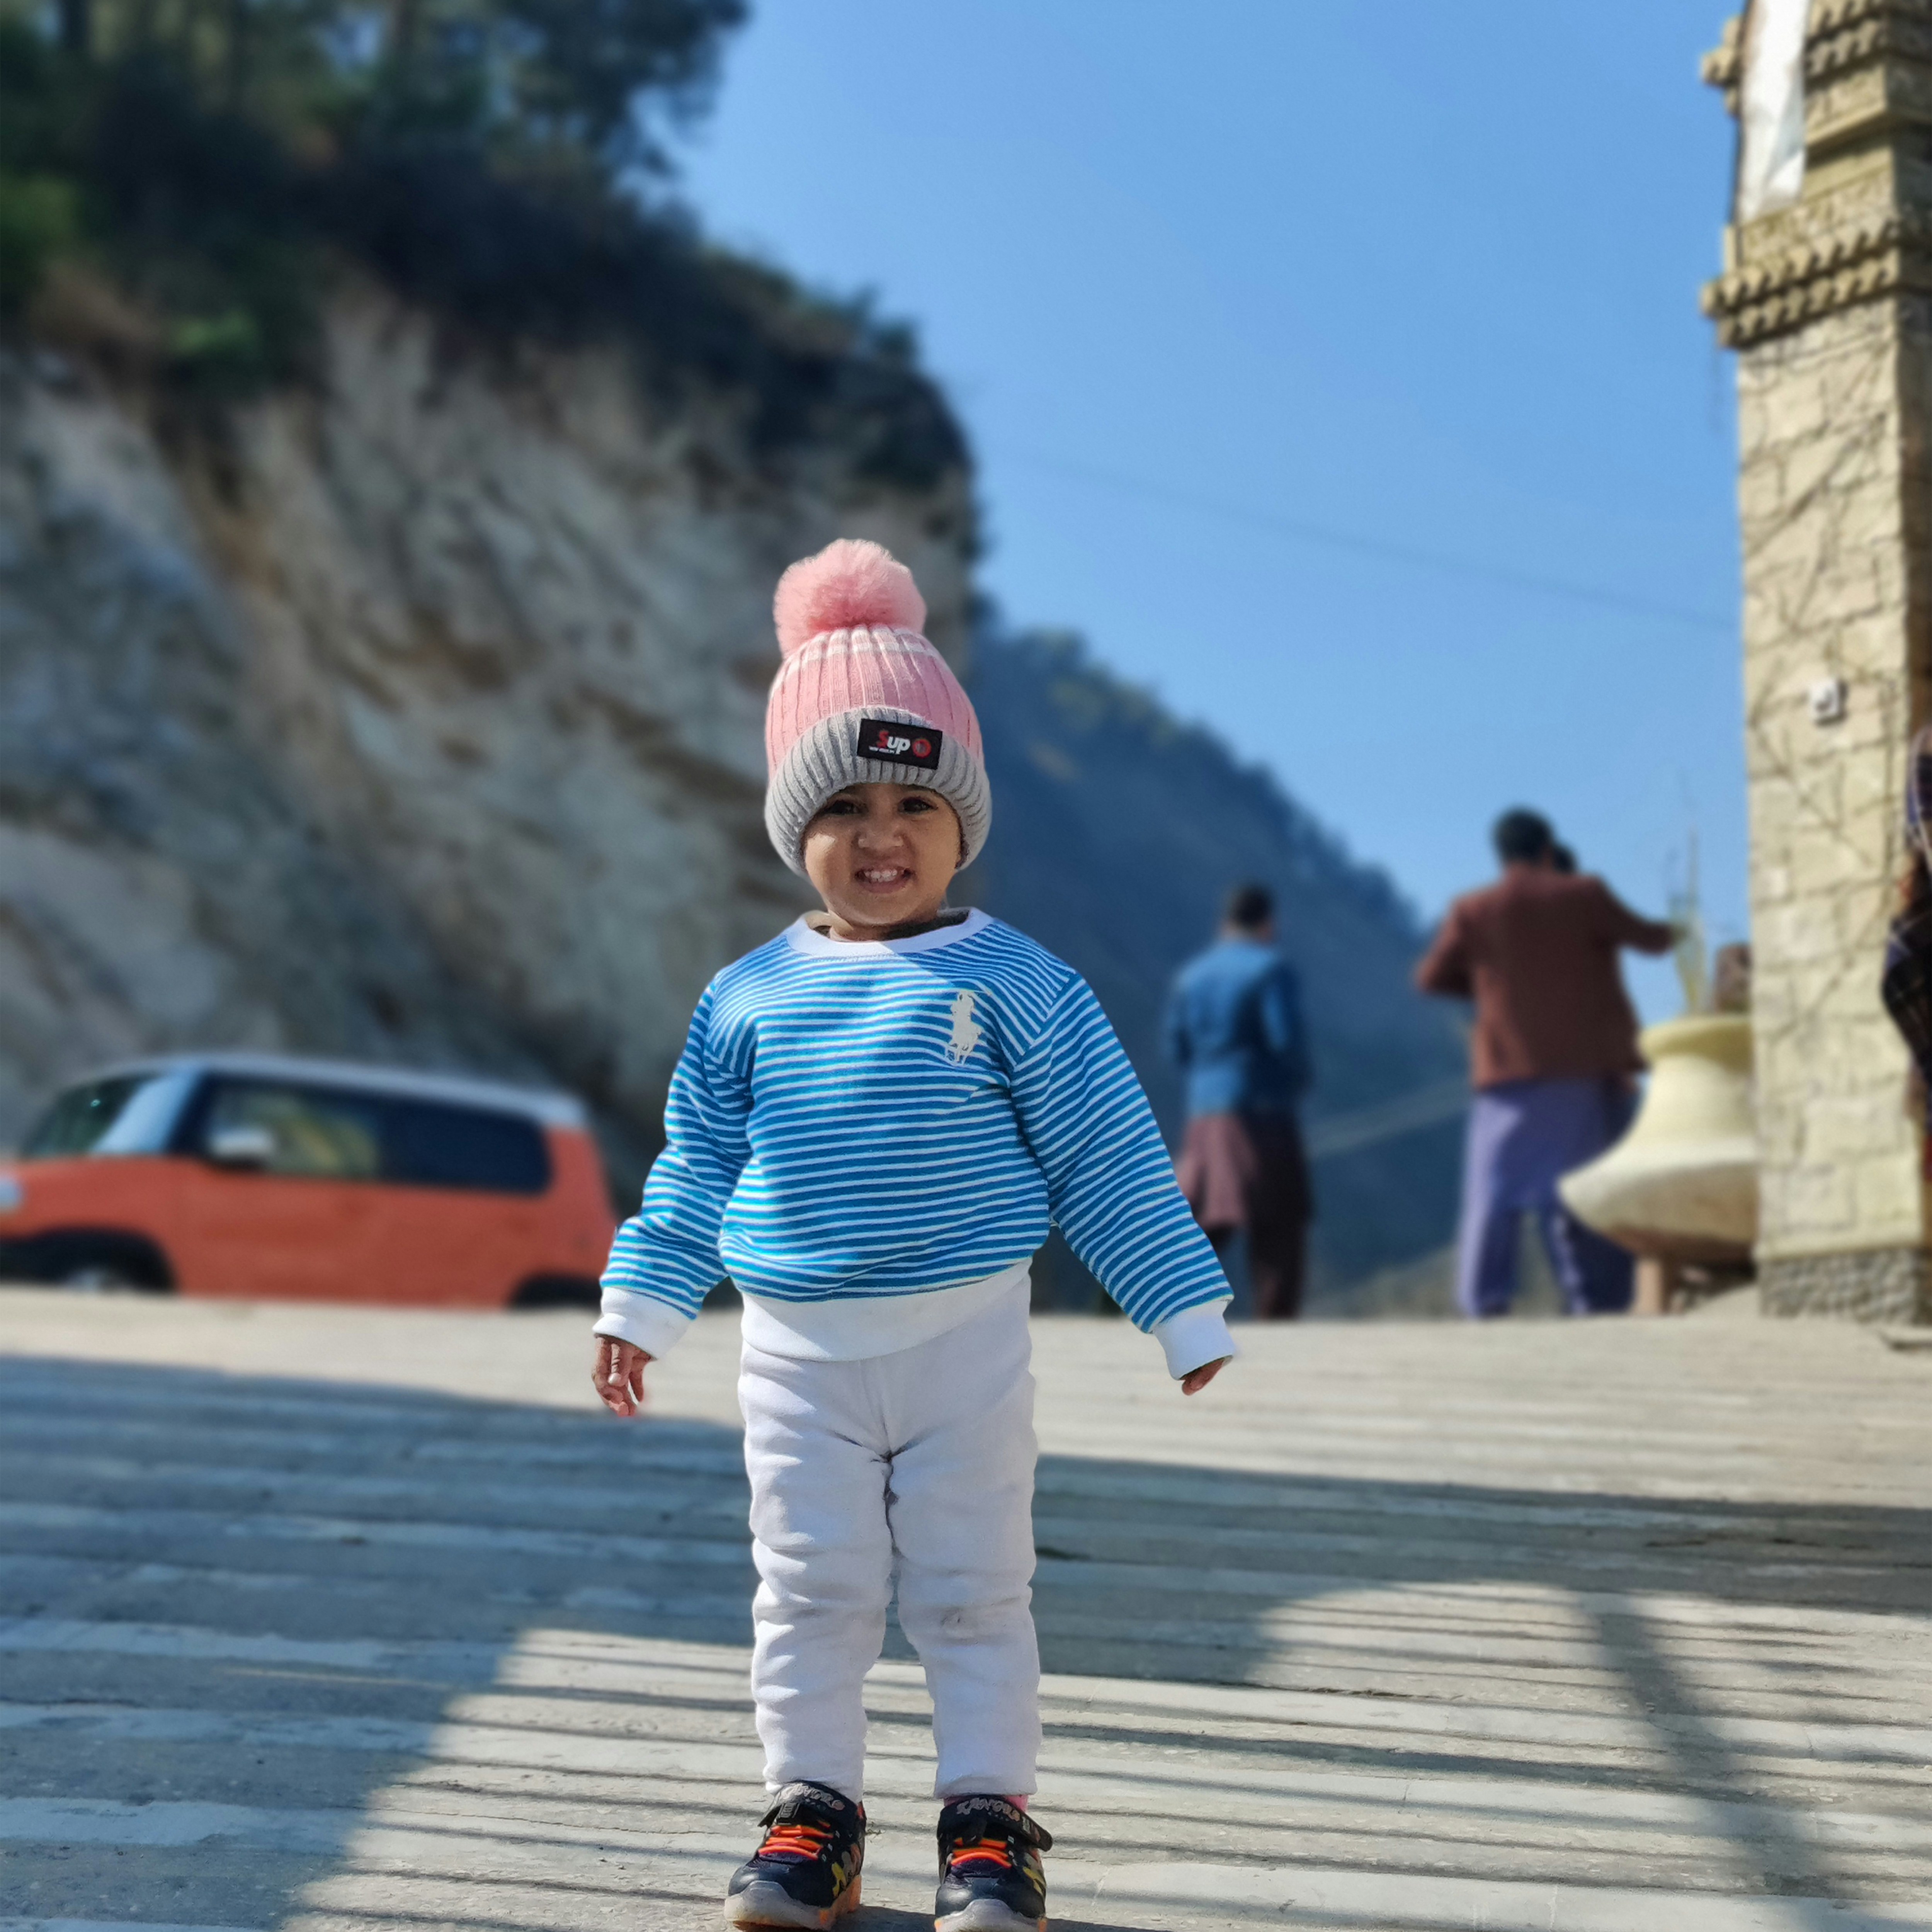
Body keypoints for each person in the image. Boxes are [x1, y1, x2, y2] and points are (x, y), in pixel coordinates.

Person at [587, 539, 1237, 1932]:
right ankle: (810, 1813)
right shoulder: (747, 996)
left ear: (963, 823)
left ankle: (988, 1822)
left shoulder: (1021, 984)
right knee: (808, 1583)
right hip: (794, 1353)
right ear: (792, 825)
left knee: (972, 1585)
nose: (880, 833)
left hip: (964, 1344)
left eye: (914, 802)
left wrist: (1180, 1306)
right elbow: (697, 1165)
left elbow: (1103, 1154)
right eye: (843, 805)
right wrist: (639, 1305)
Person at [1417, 808, 1674, 1319]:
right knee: (1583, 1196)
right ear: (1548, 849)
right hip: (1578, 1074)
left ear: (1500, 854)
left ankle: (1484, 1300)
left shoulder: (1474, 909)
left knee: (1491, 1199)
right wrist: (1686, 923)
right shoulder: (1584, 895)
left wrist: (1490, 989)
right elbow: (1651, 939)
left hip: (1505, 1076)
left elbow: (1432, 977)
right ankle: (1597, 1300)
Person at [1165, 884, 1314, 1319]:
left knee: (1204, 1224)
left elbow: (1177, 1047)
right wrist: (1294, 1083)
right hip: (1260, 1114)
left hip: (1204, 1117)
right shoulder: (1270, 970)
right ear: (1267, 923)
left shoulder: (1190, 976)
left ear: (1225, 923)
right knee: (1278, 1228)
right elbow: (1286, 1041)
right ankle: (1276, 1328)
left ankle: (1177, 1318)